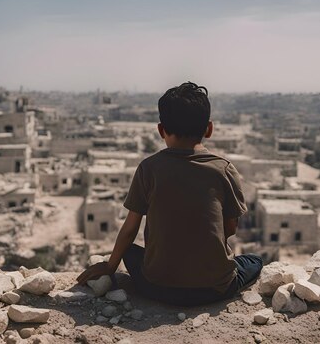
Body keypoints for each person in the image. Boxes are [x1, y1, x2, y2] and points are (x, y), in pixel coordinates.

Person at [77, 81, 262, 306]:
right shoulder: (224, 169)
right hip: (214, 289)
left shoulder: (149, 168)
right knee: (253, 261)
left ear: (161, 130)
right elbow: (230, 228)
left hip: (157, 287)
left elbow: (130, 228)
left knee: (132, 253)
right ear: (209, 129)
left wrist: (109, 267)